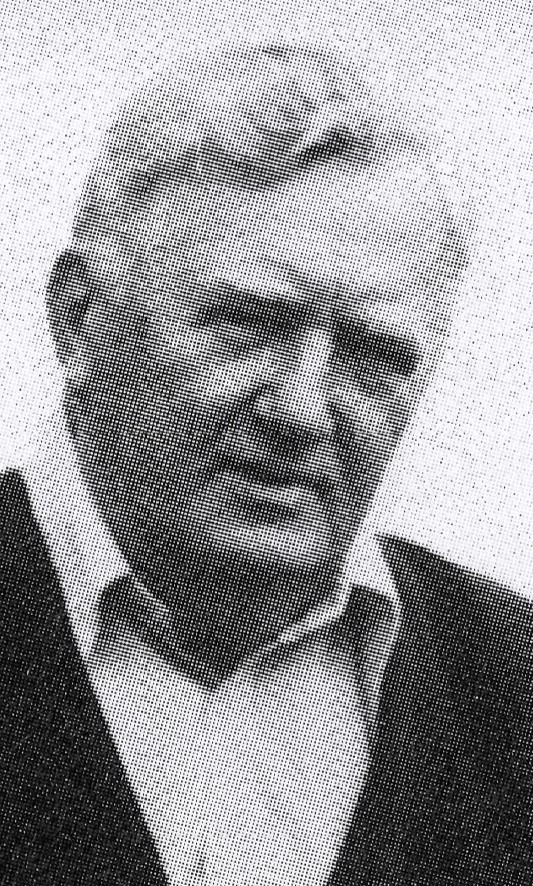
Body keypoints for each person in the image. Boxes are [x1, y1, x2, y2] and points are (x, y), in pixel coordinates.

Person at [0, 43, 531, 886]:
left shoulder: (510, 689)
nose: (301, 411)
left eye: (373, 354)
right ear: (80, 317)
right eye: (248, 325)